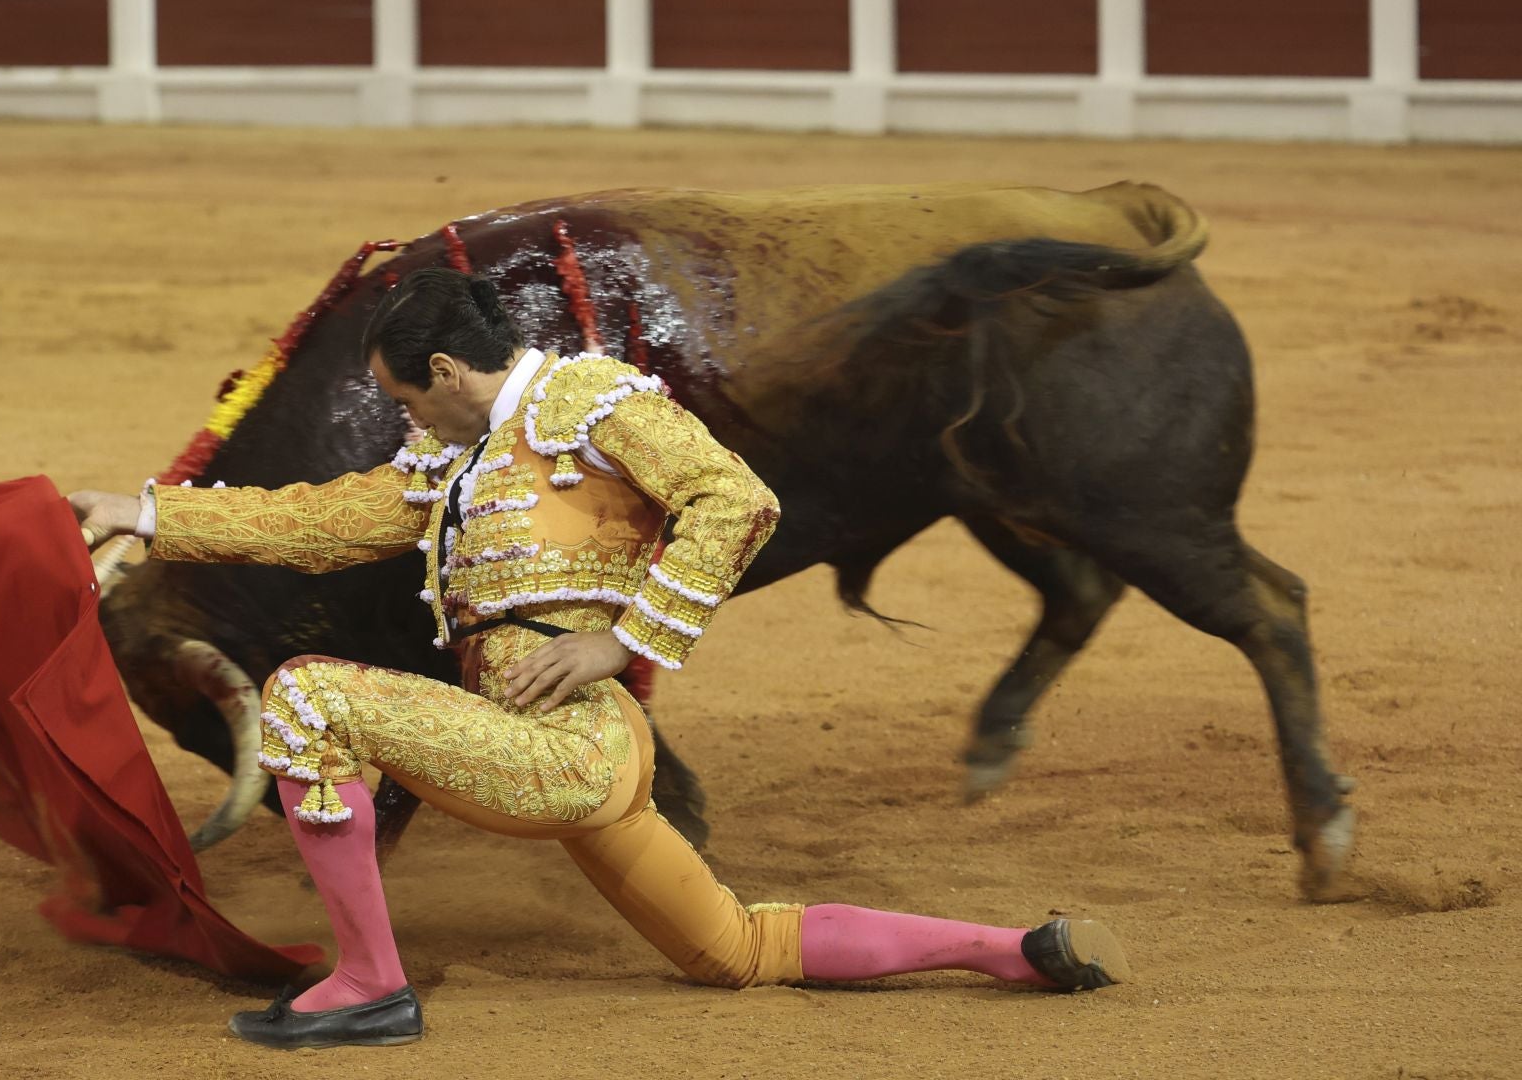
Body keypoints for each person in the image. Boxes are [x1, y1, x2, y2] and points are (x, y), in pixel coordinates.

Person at [68, 269, 1130, 1049]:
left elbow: (736, 498)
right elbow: (326, 524)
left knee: (307, 698)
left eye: (403, 397)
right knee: (736, 948)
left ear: (444, 368)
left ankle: (367, 980)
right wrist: (145, 513)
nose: (402, 418)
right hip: (559, 752)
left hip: (575, 746)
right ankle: (1012, 949)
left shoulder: (588, 402)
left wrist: (621, 641)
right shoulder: (458, 450)